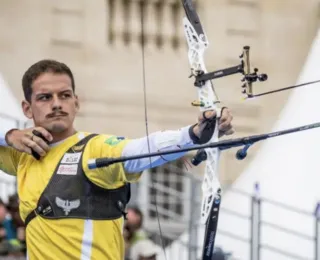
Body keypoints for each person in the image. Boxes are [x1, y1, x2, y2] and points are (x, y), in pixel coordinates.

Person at [0, 59, 234, 260]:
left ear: (76, 102)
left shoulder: (93, 149)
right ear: (27, 109)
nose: (57, 103)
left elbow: (139, 149)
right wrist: (9, 135)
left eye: (65, 95)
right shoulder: (22, 156)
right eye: (44, 97)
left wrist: (192, 134)